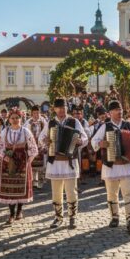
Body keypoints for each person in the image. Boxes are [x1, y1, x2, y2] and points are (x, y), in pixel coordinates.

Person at [91, 100, 130, 232]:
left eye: (121, 110)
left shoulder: (128, 125)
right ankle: (114, 217)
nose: (120, 112)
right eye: (117, 110)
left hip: (126, 165)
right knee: (112, 194)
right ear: (110, 113)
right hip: (111, 165)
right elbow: (93, 141)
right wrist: (101, 143)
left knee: (128, 193)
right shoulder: (105, 126)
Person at [41, 98, 89, 229]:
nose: (62, 110)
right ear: (54, 109)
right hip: (55, 162)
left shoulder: (74, 121)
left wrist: (80, 141)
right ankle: (58, 217)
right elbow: (41, 138)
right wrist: (45, 140)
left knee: (71, 191)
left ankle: (72, 217)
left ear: (67, 109)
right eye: (59, 108)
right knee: (56, 192)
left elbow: (85, 138)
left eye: (64, 108)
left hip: (69, 161)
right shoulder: (50, 123)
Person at [0, 109, 38, 225]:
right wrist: (4, 157)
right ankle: (11, 214)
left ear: (21, 119)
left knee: (20, 186)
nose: (14, 120)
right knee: (9, 188)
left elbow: (33, 148)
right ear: (9, 119)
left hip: (22, 162)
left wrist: (28, 161)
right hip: (8, 162)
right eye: (12, 118)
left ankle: (19, 211)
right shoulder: (5, 131)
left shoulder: (25, 131)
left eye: (17, 118)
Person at [26, 106, 48, 190]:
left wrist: (44, 142)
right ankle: (34, 182)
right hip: (32, 145)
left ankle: (40, 182)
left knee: (41, 165)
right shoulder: (28, 122)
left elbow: (46, 132)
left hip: (40, 145)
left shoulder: (43, 121)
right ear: (32, 113)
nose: (36, 115)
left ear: (39, 113)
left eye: (37, 113)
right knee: (33, 164)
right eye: (34, 113)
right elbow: (26, 133)